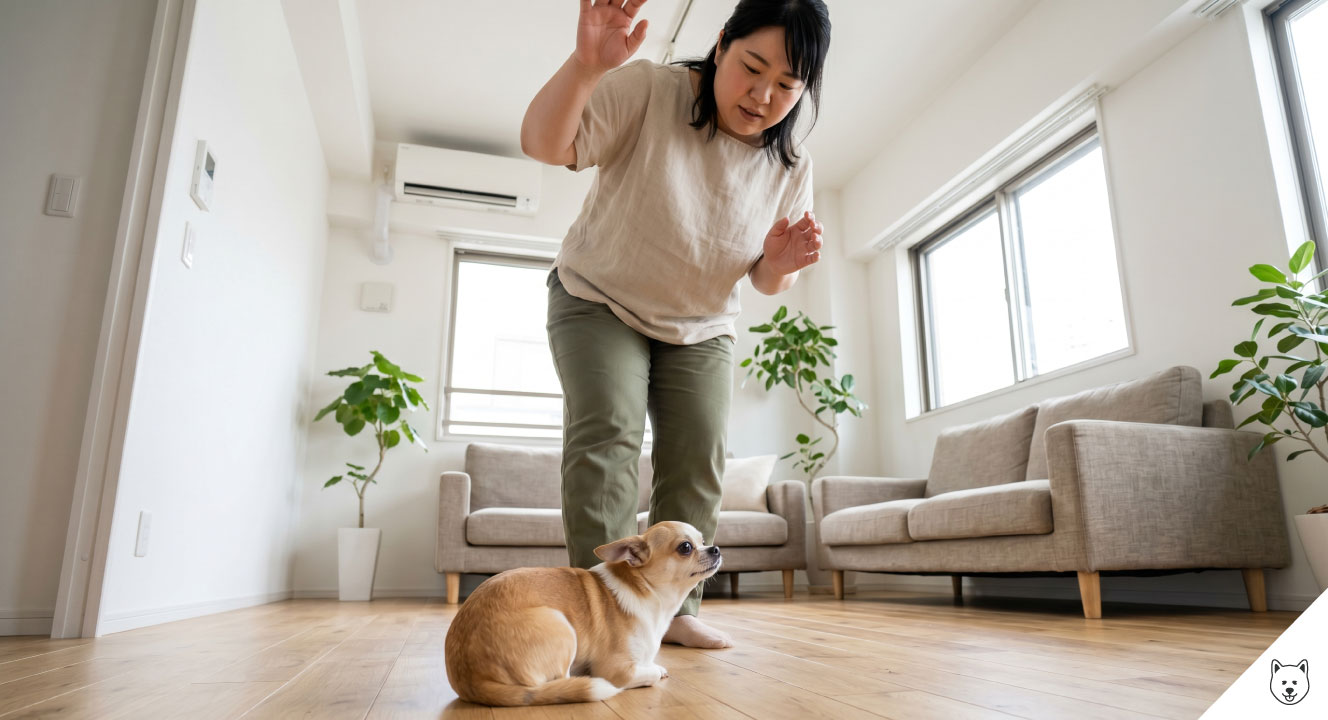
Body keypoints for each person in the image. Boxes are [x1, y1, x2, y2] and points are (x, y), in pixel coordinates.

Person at [521, 0, 831, 649]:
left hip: (703, 323)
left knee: (698, 457)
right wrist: (585, 67)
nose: (763, 96)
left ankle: (676, 611)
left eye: (787, 85)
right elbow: (544, 144)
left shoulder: (792, 166)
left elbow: (769, 280)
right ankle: (602, 618)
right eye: (752, 67)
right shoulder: (651, 90)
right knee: (608, 434)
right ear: (721, 45)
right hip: (598, 297)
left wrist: (779, 265)